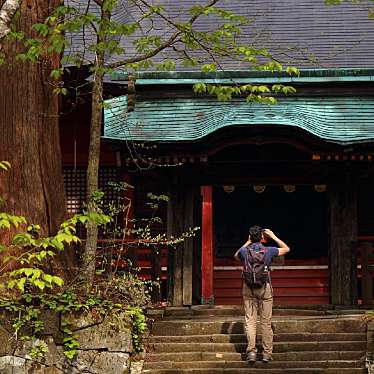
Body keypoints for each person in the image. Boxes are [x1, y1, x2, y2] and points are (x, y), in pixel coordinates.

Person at [234, 225, 290, 363]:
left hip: (248, 288)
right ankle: (266, 354)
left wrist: (248, 242)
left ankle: (251, 353)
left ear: (250, 237)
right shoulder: (269, 250)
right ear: (262, 238)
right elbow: (287, 249)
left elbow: (236, 256)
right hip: (265, 287)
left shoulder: (244, 251)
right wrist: (273, 236)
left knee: (250, 321)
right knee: (266, 322)